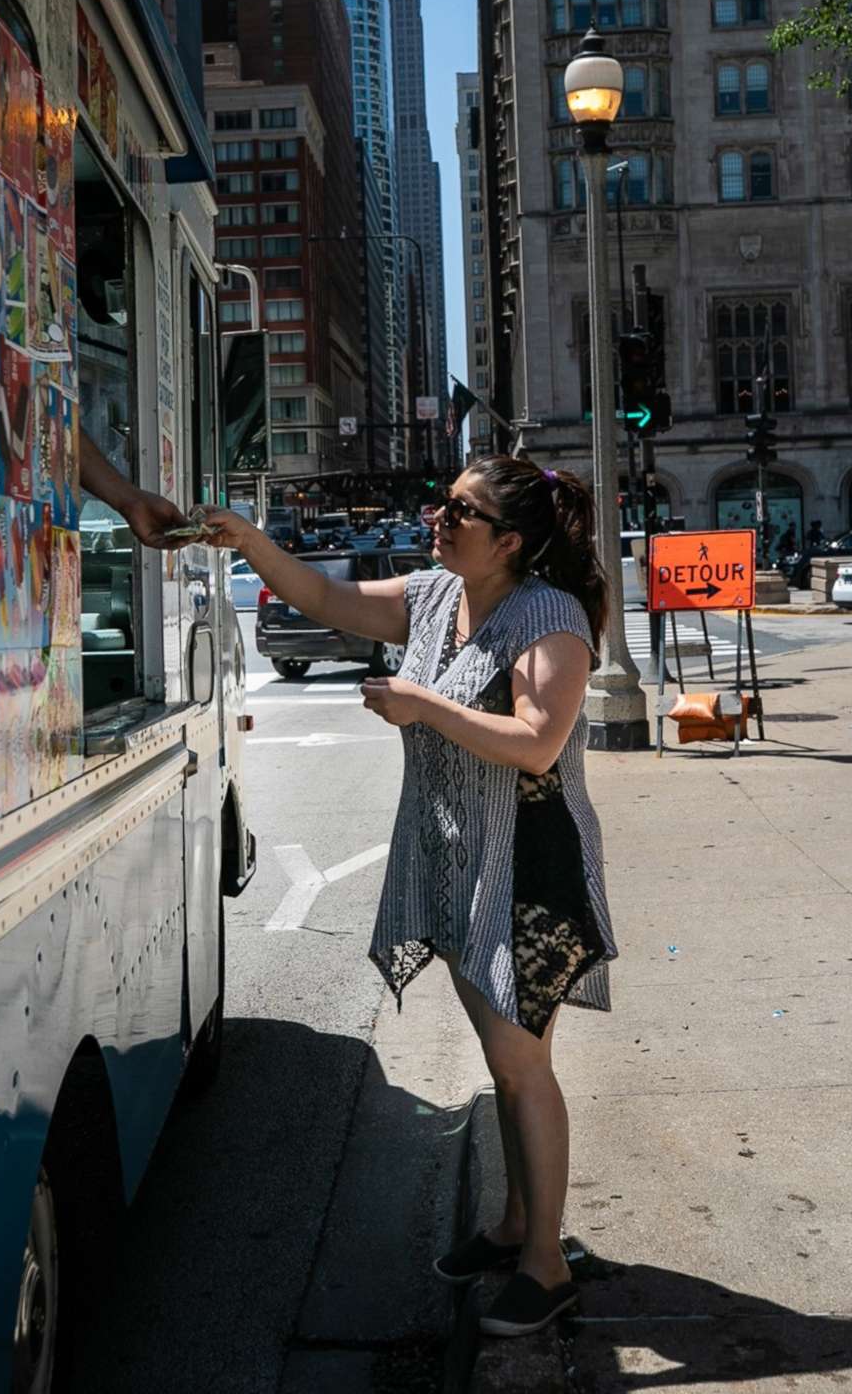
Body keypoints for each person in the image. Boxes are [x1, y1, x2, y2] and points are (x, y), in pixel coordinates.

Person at [197, 457, 620, 1338]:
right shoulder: (434, 595)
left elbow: (538, 744)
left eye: (460, 510)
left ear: (508, 540)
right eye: (444, 502)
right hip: (461, 863)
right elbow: (324, 597)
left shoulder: (550, 616)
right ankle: (513, 1225)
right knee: (501, 1061)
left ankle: (547, 1265)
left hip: (528, 869)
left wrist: (423, 705)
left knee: (523, 1065)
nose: (439, 516)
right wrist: (247, 543)